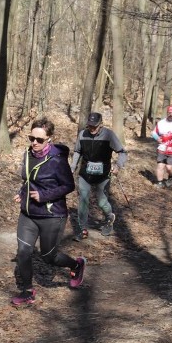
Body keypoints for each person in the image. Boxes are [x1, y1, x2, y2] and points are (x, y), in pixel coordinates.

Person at [11, 118, 86, 307]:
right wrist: (22, 193)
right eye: (31, 138)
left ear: (49, 139)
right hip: (28, 213)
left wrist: (44, 195)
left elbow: (68, 185)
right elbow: (28, 180)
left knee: (48, 256)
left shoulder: (57, 160)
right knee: (23, 252)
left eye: (39, 140)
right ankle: (27, 291)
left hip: (52, 216)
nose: (34, 143)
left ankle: (76, 265)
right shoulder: (28, 154)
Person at [70, 112, 128, 239]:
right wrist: (73, 167)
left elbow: (123, 153)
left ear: (100, 125)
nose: (91, 129)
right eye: (89, 126)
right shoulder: (82, 134)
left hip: (103, 174)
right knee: (83, 200)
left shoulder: (108, 135)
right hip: (85, 173)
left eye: (94, 127)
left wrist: (118, 165)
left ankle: (109, 218)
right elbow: (77, 151)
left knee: (102, 201)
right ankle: (82, 229)